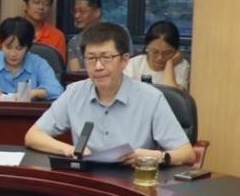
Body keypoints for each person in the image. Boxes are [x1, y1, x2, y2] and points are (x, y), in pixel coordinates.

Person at [25, 22, 196, 167]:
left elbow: (187, 154)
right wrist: (69, 149)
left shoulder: (151, 98)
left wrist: (156, 157)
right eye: (91, 58)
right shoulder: (74, 93)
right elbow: (33, 136)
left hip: (134, 182)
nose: (98, 66)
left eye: (106, 57)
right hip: (87, 180)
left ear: (124, 60)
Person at [0, 0, 67, 63]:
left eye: (46, 3)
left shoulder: (58, 36)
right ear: (25, 5)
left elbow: (58, 66)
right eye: (36, 2)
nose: (41, 7)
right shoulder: (8, 28)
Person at [125, 19, 190, 91]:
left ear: (176, 51)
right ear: (147, 47)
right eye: (155, 52)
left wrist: (170, 64)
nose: (160, 57)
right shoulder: (133, 64)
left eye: (167, 53)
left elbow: (174, 96)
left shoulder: (181, 66)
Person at [67, 0, 104, 71]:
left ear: (97, 12)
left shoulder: (118, 33)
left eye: (82, 11)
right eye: (74, 11)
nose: (76, 15)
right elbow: (75, 72)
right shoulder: (73, 42)